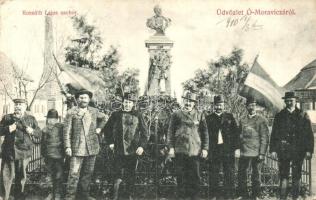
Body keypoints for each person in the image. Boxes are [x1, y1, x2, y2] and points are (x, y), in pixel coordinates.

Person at [63, 89, 107, 200]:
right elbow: (66, 131)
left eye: (85, 98)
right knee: (73, 174)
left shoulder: (94, 111)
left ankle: (84, 196)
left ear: (89, 99)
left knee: (88, 174)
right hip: (77, 148)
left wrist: (99, 128)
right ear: (77, 99)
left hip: (91, 148)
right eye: (81, 97)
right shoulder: (71, 112)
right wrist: (67, 146)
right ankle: (70, 197)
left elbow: (105, 118)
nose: (83, 100)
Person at [270, 91, 314, 200]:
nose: (289, 102)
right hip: (283, 150)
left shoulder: (303, 115)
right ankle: (283, 198)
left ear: (296, 101)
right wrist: (273, 150)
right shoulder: (280, 116)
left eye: (292, 100)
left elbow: (309, 134)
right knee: (283, 176)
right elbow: (274, 134)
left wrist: (309, 150)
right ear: (285, 101)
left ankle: (295, 197)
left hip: (298, 151)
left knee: (296, 176)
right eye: (287, 101)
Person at [104, 92, 148, 200]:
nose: (127, 104)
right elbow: (107, 129)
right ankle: (115, 197)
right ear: (123, 102)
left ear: (133, 104)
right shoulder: (116, 114)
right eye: (126, 102)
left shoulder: (138, 115)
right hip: (118, 150)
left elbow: (145, 133)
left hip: (133, 151)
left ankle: (129, 196)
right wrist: (110, 143)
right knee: (117, 174)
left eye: (130, 102)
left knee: (131, 175)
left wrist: (141, 146)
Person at [167, 91, 209, 200]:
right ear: (183, 101)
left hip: (195, 150)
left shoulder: (200, 115)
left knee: (195, 177)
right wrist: (171, 148)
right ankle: (182, 198)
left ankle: (194, 197)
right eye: (186, 100)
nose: (188, 103)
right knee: (181, 176)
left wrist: (205, 148)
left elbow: (205, 133)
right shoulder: (176, 114)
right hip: (180, 150)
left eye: (191, 101)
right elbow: (170, 132)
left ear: (194, 103)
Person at [0, 98, 41, 200]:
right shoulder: (7, 118)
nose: (17, 106)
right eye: (16, 104)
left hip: (23, 153)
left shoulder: (30, 119)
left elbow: (39, 133)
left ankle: (19, 197)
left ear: (25, 106)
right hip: (8, 152)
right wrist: (9, 128)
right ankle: (4, 197)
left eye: (20, 104)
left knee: (21, 178)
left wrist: (32, 131)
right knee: (6, 178)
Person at [205, 95, 239, 200]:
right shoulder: (208, 118)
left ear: (224, 105)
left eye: (221, 105)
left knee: (229, 173)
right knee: (213, 173)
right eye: (217, 105)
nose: (219, 107)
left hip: (227, 150)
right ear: (214, 105)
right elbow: (205, 134)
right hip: (214, 150)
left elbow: (236, 133)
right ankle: (214, 196)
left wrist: (236, 148)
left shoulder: (230, 117)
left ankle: (229, 196)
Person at [236, 97, 269, 200]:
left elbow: (264, 137)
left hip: (256, 152)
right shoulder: (242, 119)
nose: (252, 107)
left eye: (254, 105)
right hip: (244, 151)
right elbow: (238, 135)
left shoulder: (262, 120)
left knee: (256, 175)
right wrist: (238, 149)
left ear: (256, 106)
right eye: (250, 105)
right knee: (242, 174)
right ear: (246, 107)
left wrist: (262, 153)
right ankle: (243, 195)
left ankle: (256, 195)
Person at [41, 109, 64, 200]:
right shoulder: (45, 129)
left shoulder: (61, 127)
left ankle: (58, 194)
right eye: (50, 119)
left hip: (59, 156)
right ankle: (50, 193)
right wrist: (43, 155)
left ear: (57, 119)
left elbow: (64, 140)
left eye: (53, 119)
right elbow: (43, 143)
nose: (51, 121)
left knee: (59, 175)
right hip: (48, 156)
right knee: (50, 175)